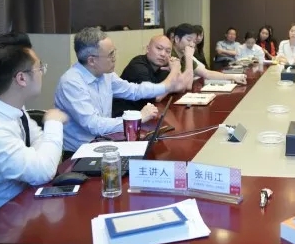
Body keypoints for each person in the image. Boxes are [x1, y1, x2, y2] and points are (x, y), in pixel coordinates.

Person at [0, 33, 68, 226]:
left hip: (22, 211)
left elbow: (40, 144)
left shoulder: (11, 105)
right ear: (22, 78)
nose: (42, 73)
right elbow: (42, 171)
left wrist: (42, 158)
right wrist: (53, 122)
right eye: (39, 67)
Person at [55, 27, 192, 154]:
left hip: (105, 143)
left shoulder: (106, 75)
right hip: (79, 153)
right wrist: (137, 118)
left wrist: (165, 87)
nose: (114, 58)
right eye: (110, 54)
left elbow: (134, 90)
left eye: (114, 52)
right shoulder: (71, 83)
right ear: (91, 61)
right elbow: (94, 125)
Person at [112, 35, 181, 117]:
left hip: (147, 114)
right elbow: (156, 96)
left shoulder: (163, 66)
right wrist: (174, 71)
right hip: (125, 118)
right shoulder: (138, 66)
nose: (163, 54)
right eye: (159, 48)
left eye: (168, 51)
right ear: (148, 49)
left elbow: (182, 86)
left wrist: (176, 70)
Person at [172, 23, 247, 85]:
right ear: (177, 39)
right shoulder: (170, 55)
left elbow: (206, 73)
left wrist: (233, 77)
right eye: (188, 40)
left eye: (194, 41)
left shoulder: (184, 56)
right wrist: (189, 57)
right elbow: (187, 85)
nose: (192, 45)